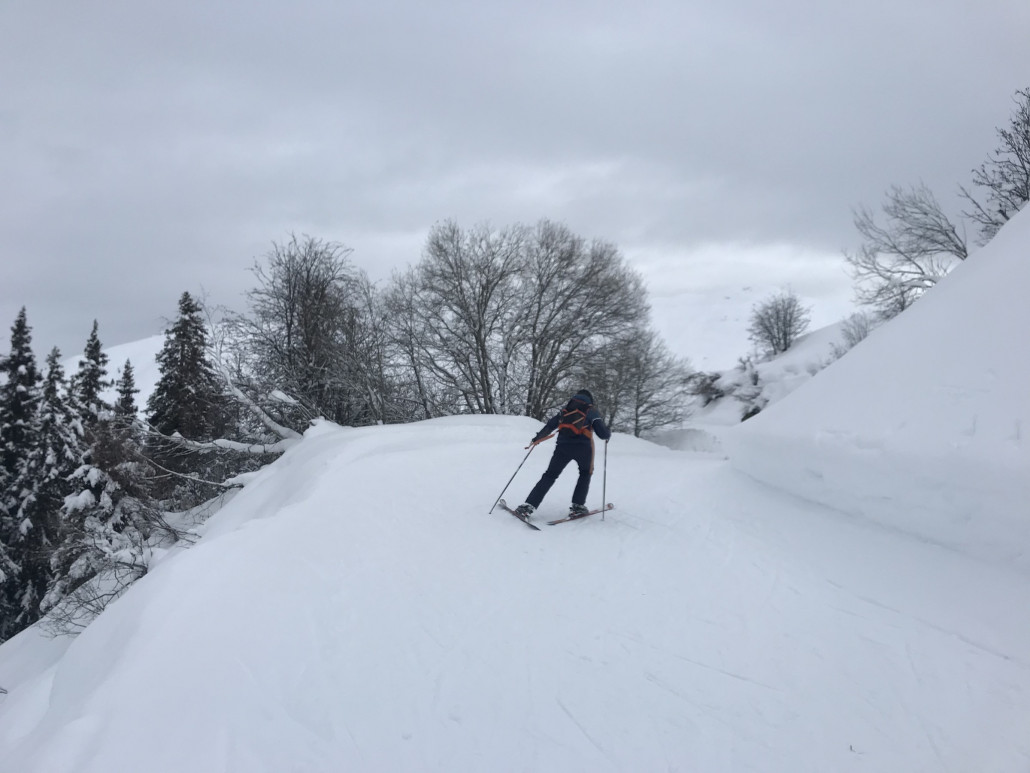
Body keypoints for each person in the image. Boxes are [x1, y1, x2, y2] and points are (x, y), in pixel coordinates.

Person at [515, 389, 611, 518]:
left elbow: (550, 426)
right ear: (590, 400)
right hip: (583, 450)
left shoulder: (566, 409)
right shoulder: (591, 411)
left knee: (549, 475)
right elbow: (603, 434)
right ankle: (578, 506)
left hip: (562, 448)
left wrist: (537, 439)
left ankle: (528, 506)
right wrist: (608, 432)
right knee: (584, 473)